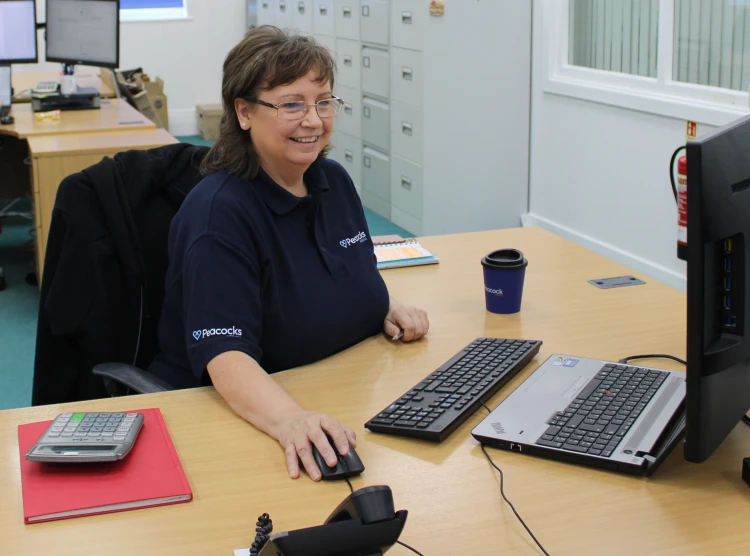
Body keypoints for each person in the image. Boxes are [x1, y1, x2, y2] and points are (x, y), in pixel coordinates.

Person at [149, 26, 429, 481]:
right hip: (234, 421)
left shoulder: (332, 180)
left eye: (323, 102)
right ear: (243, 112)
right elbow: (226, 355)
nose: (314, 120)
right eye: (291, 104)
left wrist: (385, 305)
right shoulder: (219, 215)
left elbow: (339, 276)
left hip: (333, 396)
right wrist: (289, 420)